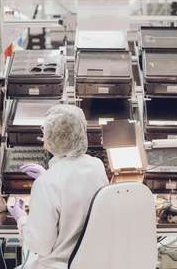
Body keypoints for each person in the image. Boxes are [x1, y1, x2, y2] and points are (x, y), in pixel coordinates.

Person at [7, 105, 108, 269]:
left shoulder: (47, 183)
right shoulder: (96, 166)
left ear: (51, 137)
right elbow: (77, 193)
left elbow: (40, 246)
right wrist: (48, 175)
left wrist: (21, 219)